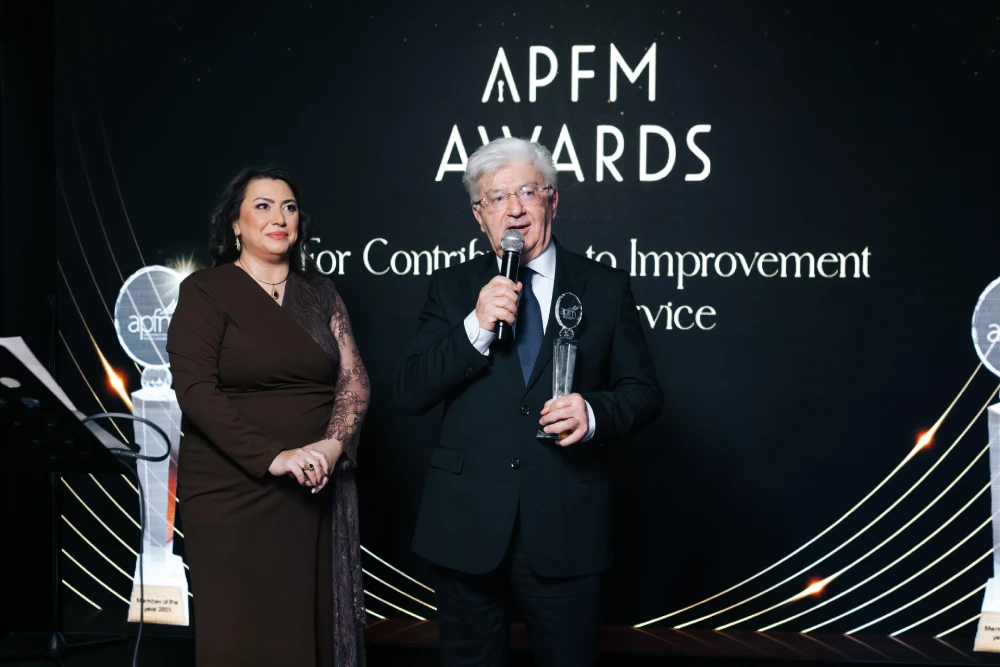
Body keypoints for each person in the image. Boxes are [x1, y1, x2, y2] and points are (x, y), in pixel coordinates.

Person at [394, 138, 663, 666]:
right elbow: (410, 391)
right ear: (479, 215)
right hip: (466, 526)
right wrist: (475, 327)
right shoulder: (452, 288)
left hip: (566, 526)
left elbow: (645, 393)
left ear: (552, 200)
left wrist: (592, 413)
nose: (514, 208)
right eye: (497, 198)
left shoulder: (604, 287)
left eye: (527, 192)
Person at [166, 165, 369, 667]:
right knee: (238, 637)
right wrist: (274, 456)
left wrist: (330, 448)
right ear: (235, 223)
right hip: (230, 494)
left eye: (289, 207)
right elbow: (195, 392)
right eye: (263, 206)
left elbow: (354, 382)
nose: (279, 217)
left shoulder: (321, 293)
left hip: (312, 486)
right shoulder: (205, 291)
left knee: (306, 632)